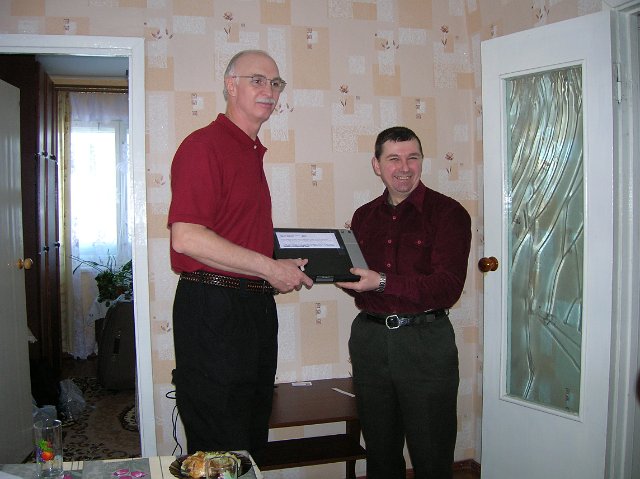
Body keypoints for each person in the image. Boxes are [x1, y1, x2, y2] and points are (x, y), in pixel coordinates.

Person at [167, 49, 313, 462]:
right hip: (214, 310)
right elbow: (186, 238)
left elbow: (235, 235)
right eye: (257, 80)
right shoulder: (203, 146)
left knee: (250, 438)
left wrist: (278, 267)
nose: (269, 91)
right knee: (220, 447)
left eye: (276, 83)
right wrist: (268, 267)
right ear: (231, 85)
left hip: (253, 309)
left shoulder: (251, 151)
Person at [336, 126, 472, 479]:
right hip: (370, 340)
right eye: (393, 159)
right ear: (377, 165)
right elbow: (362, 286)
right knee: (380, 452)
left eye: (413, 158)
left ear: (422, 161)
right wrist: (333, 273)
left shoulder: (449, 213)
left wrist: (381, 281)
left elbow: (447, 288)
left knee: (432, 453)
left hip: (425, 343)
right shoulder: (363, 216)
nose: (404, 167)